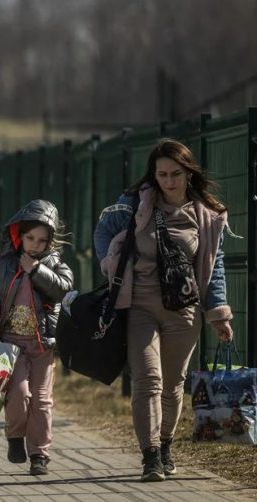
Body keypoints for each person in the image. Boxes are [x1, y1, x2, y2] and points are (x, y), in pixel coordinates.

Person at [93, 138, 235, 482]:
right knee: (147, 380)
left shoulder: (206, 215)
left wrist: (218, 315)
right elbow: (102, 232)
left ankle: (167, 443)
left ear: (188, 173)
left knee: (173, 385)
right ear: (153, 175)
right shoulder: (133, 205)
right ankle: (150, 455)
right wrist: (110, 263)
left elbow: (214, 267)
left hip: (183, 311)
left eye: (175, 174)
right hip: (138, 304)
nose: (169, 181)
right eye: (162, 174)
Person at [0, 199, 73, 476]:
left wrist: (36, 269)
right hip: (11, 345)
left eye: (42, 241)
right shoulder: (2, 262)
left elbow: (64, 289)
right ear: (19, 234)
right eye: (30, 238)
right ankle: (15, 435)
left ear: (50, 242)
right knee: (18, 394)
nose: (34, 245)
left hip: (43, 345)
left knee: (42, 400)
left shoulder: (54, 264)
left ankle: (40, 454)